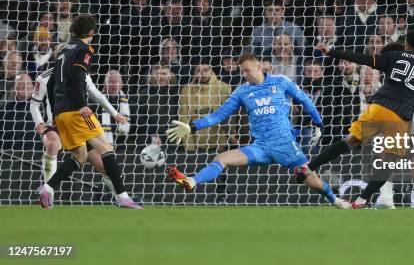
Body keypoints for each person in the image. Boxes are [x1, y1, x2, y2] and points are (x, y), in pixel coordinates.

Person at [306, 30, 414, 209]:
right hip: (408, 124)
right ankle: (385, 200)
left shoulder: (402, 84)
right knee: (383, 155)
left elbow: (365, 59)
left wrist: (332, 51)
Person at [164, 53, 351, 209]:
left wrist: (319, 124)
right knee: (221, 159)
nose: (244, 74)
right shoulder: (241, 92)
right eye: (241, 71)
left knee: (312, 181)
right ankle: (192, 181)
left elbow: (305, 100)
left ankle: (336, 200)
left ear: (259, 67)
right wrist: (192, 126)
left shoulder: (281, 82)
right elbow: (218, 115)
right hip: (260, 147)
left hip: (285, 146)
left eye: (247, 70)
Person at [37, 15, 141, 209]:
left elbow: (51, 83)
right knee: (106, 150)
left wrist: (55, 114)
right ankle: (123, 197)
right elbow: (78, 76)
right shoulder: (84, 49)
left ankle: (48, 188)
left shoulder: (62, 50)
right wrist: (81, 104)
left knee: (80, 156)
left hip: (61, 113)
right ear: (91, 33)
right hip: (77, 111)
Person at [30, 46, 125, 198]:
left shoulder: (81, 75)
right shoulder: (44, 78)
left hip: (76, 125)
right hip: (53, 126)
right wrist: (39, 122)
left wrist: (114, 112)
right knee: (53, 143)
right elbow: (34, 104)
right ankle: (48, 197)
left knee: (101, 164)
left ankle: (120, 198)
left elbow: (97, 94)